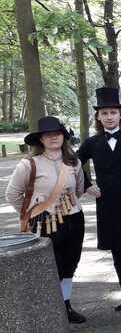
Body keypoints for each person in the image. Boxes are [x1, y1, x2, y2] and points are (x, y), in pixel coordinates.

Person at [6, 116, 86, 324]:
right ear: (40, 139)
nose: (53, 138)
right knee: (52, 265)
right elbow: (13, 195)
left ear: (63, 137)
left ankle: (65, 305)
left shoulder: (74, 162)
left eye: (57, 134)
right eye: (48, 135)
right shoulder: (29, 164)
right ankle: (49, 307)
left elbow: (78, 190)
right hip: (44, 223)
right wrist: (33, 215)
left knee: (70, 264)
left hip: (74, 219)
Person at [77, 87, 121, 314]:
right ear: (98, 116)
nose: (109, 116)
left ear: (120, 115)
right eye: (105, 113)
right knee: (117, 251)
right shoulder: (92, 143)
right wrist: (88, 185)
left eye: (113, 112)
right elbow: (74, 163)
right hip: (107, 204)